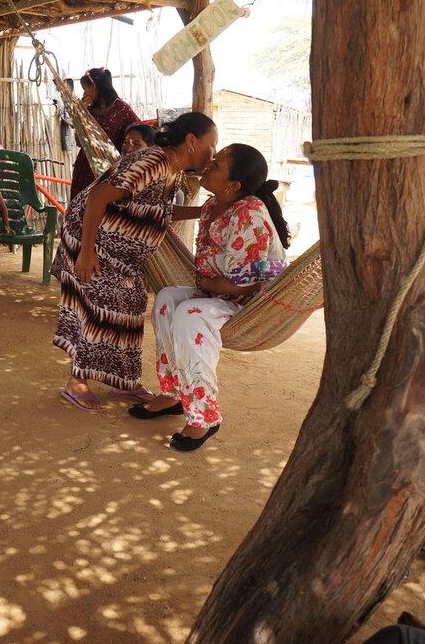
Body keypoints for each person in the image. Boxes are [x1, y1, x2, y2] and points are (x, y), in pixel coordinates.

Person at [52, 112, 218, 412]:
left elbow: (159, 214)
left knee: (131, 303)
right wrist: (87, 252)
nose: (213, 153)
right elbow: (98, 197)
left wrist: (206, 211)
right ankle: (76, 382)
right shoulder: (153, 162)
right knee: (100, 304)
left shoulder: (173, 171)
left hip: (121, 255)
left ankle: (122, 382)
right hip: (91, 241)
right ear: (192, 141)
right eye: (212, 145)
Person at [130, 144, 289, 452]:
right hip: (215, 293)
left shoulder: (250, 213)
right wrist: (139, 208)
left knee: (190, 315)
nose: (209, 164)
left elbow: (252, 283)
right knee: (166, 300)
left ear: (234, 185)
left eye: (217, 164)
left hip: (251, 303)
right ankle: (174, 392)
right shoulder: (213, 205)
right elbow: (176, 216)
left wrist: (211, 283)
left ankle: (205, 417)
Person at [69, 67, 141, 201]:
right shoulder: (89, 111)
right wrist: (81, 113)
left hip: (110, 173)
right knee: (80, 211)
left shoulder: (121, 109)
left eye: (86, 89)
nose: (84, 93)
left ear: (94, 86)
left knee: (104, 214)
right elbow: (80, 142)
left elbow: (140, 132)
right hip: (85, 170)